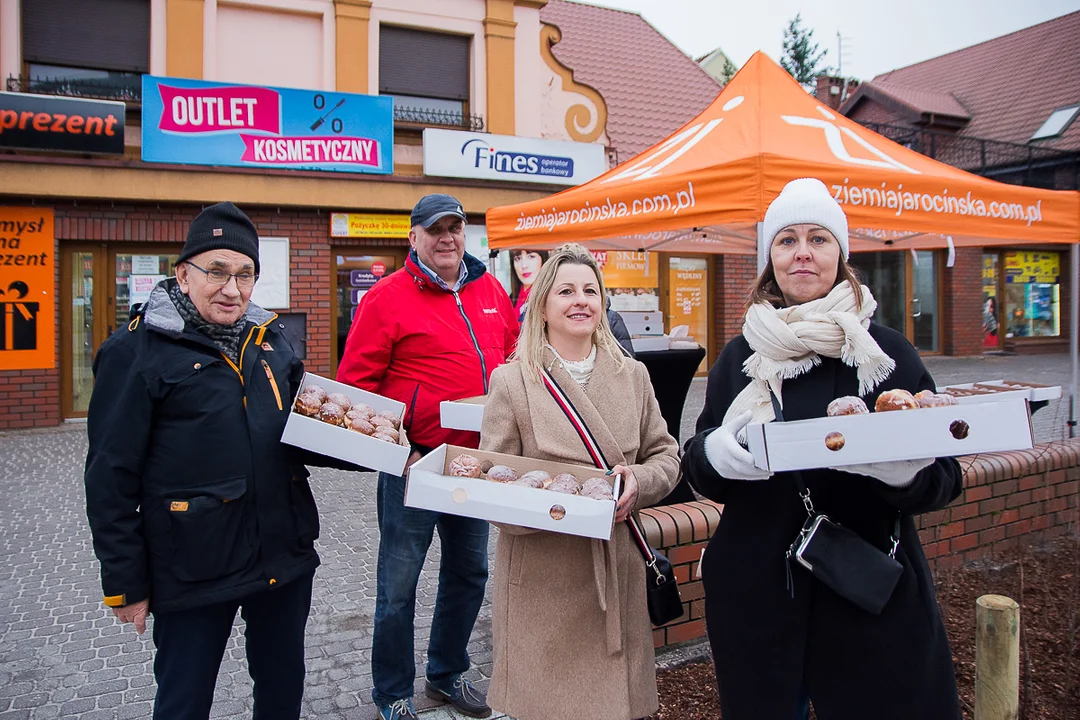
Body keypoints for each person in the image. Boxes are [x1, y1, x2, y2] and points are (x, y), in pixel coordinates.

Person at [681, 179, 963, 720]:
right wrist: (715, 454)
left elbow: (946, 475)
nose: (803, 252)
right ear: (771, 259)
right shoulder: (740, 355)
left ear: (841, 254)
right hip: (759, 597)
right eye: (787, 240)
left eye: (818, 238)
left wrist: (906, 475)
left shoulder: (884, 353)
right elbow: (698, 462)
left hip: (864, 597)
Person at [84, 202, 335, 720]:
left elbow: (300, 432)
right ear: (183, 273)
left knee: (282, 688)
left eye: (245, 274)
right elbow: (110, 476)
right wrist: (126, 585)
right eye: (216, 271)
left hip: (280, 555)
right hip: (193, 563)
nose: (232, 288)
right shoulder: (136, 352)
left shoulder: (270, 343)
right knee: (184, 700)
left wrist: (384, 448)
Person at [480, 243, 680, 720]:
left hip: (616, 569)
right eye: (566, 290)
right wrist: (552, 505)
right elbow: (494, 478)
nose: (580, 300)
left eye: (590, 290)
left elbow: (666, 456)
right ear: (543, 305)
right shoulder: (512, 381)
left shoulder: (634, 376)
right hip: (543, 574)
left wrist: (639, 481)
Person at [337, 193, 518, 720]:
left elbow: (509, 357)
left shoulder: (488, 289)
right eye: (435, 229)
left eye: (455, 228)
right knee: (398, 586)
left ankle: (446, 673)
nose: (447, 238)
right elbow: (356, 392)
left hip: (473, 463)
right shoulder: (385, 298)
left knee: (470, 573)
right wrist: (401, 449)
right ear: (412, 237)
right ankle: (393, 694)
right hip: (413, 467)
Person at [509, 248, 548, 321]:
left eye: (531, 256)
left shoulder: (550, 298)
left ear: (543, 259)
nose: (524, 265)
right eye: (518, 258)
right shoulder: (510, 300)